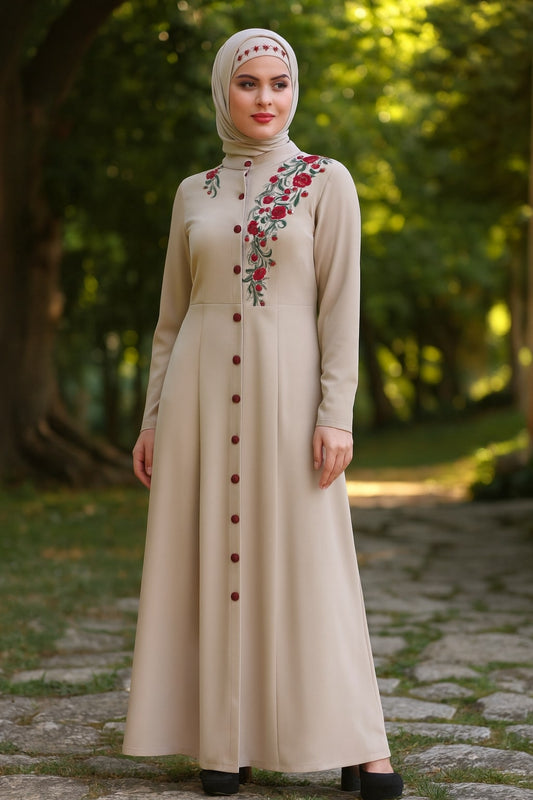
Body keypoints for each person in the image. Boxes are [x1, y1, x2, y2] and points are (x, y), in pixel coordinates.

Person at [123, 28, 403, 800]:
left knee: (314, 569)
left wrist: (335, 414)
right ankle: (224, 738)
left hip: (288, 403)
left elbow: (340, 309)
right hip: (198, 403)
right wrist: (151, 419)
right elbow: (170, 321)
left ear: (295, 90)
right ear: (224, 91)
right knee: (212, 564)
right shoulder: (193, 194)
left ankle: (358, 742)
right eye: (248, 83)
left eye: (278, 83)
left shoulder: (325, 181)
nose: (265, 99)